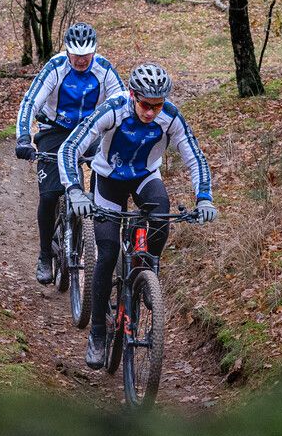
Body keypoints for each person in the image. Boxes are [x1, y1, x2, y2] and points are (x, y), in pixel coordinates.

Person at [58, 62, 217, 368]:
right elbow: (70, 147)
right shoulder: (113, 110)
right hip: (108, 180)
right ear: (132, 95)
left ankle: (146, 274)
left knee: (160, 216)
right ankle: (98, 333)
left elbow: (194, 156)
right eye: (145, 105)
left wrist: (204, 198)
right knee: (107, 253)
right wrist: (75, 190)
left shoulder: (170, 116)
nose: (151, 112)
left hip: (145, 176)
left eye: (157, 105)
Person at [15, 22, 124, 285]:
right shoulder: (56, 67)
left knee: (107, 177)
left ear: (94, 51)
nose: (81, 60)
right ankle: (44, 255)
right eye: (75, 54)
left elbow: (122, 104)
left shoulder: (105, 70)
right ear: (67, 51)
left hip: (90, 132)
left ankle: (101, 236)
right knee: (50, 194)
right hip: (55, 131)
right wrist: (23, 137)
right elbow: (31, 102)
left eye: (86, 54)